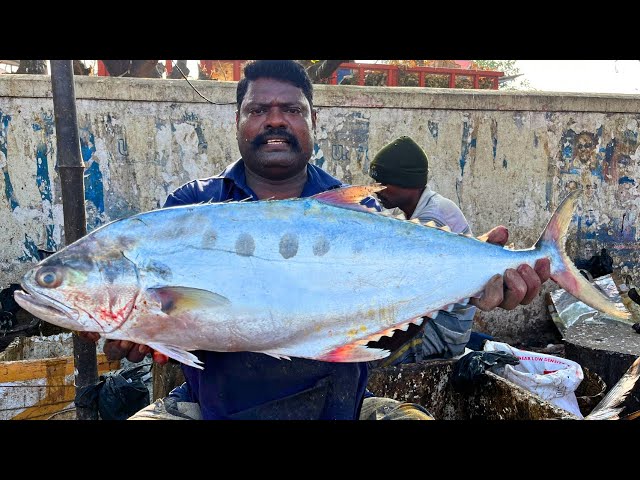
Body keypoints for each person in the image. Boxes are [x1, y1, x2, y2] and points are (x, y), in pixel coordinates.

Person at [80, 60, 550, 420]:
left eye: (292, 110)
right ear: (238, 120)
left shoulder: (358, 215)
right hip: (217, 409)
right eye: (258, 110)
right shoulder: (192, 203)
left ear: (314, 120)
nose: (275, 120)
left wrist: (471, 288)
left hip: (338, 405)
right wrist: (135, 332)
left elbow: (389, 335)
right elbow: (163, 322)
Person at [366, 136, 498, 365]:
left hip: (442, 330)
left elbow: (417, 302)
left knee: (367, 357)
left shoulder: (433, 221)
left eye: (383, 183)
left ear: (409, 184)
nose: (376, 190)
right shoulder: (414, 215)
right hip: (435, 319)